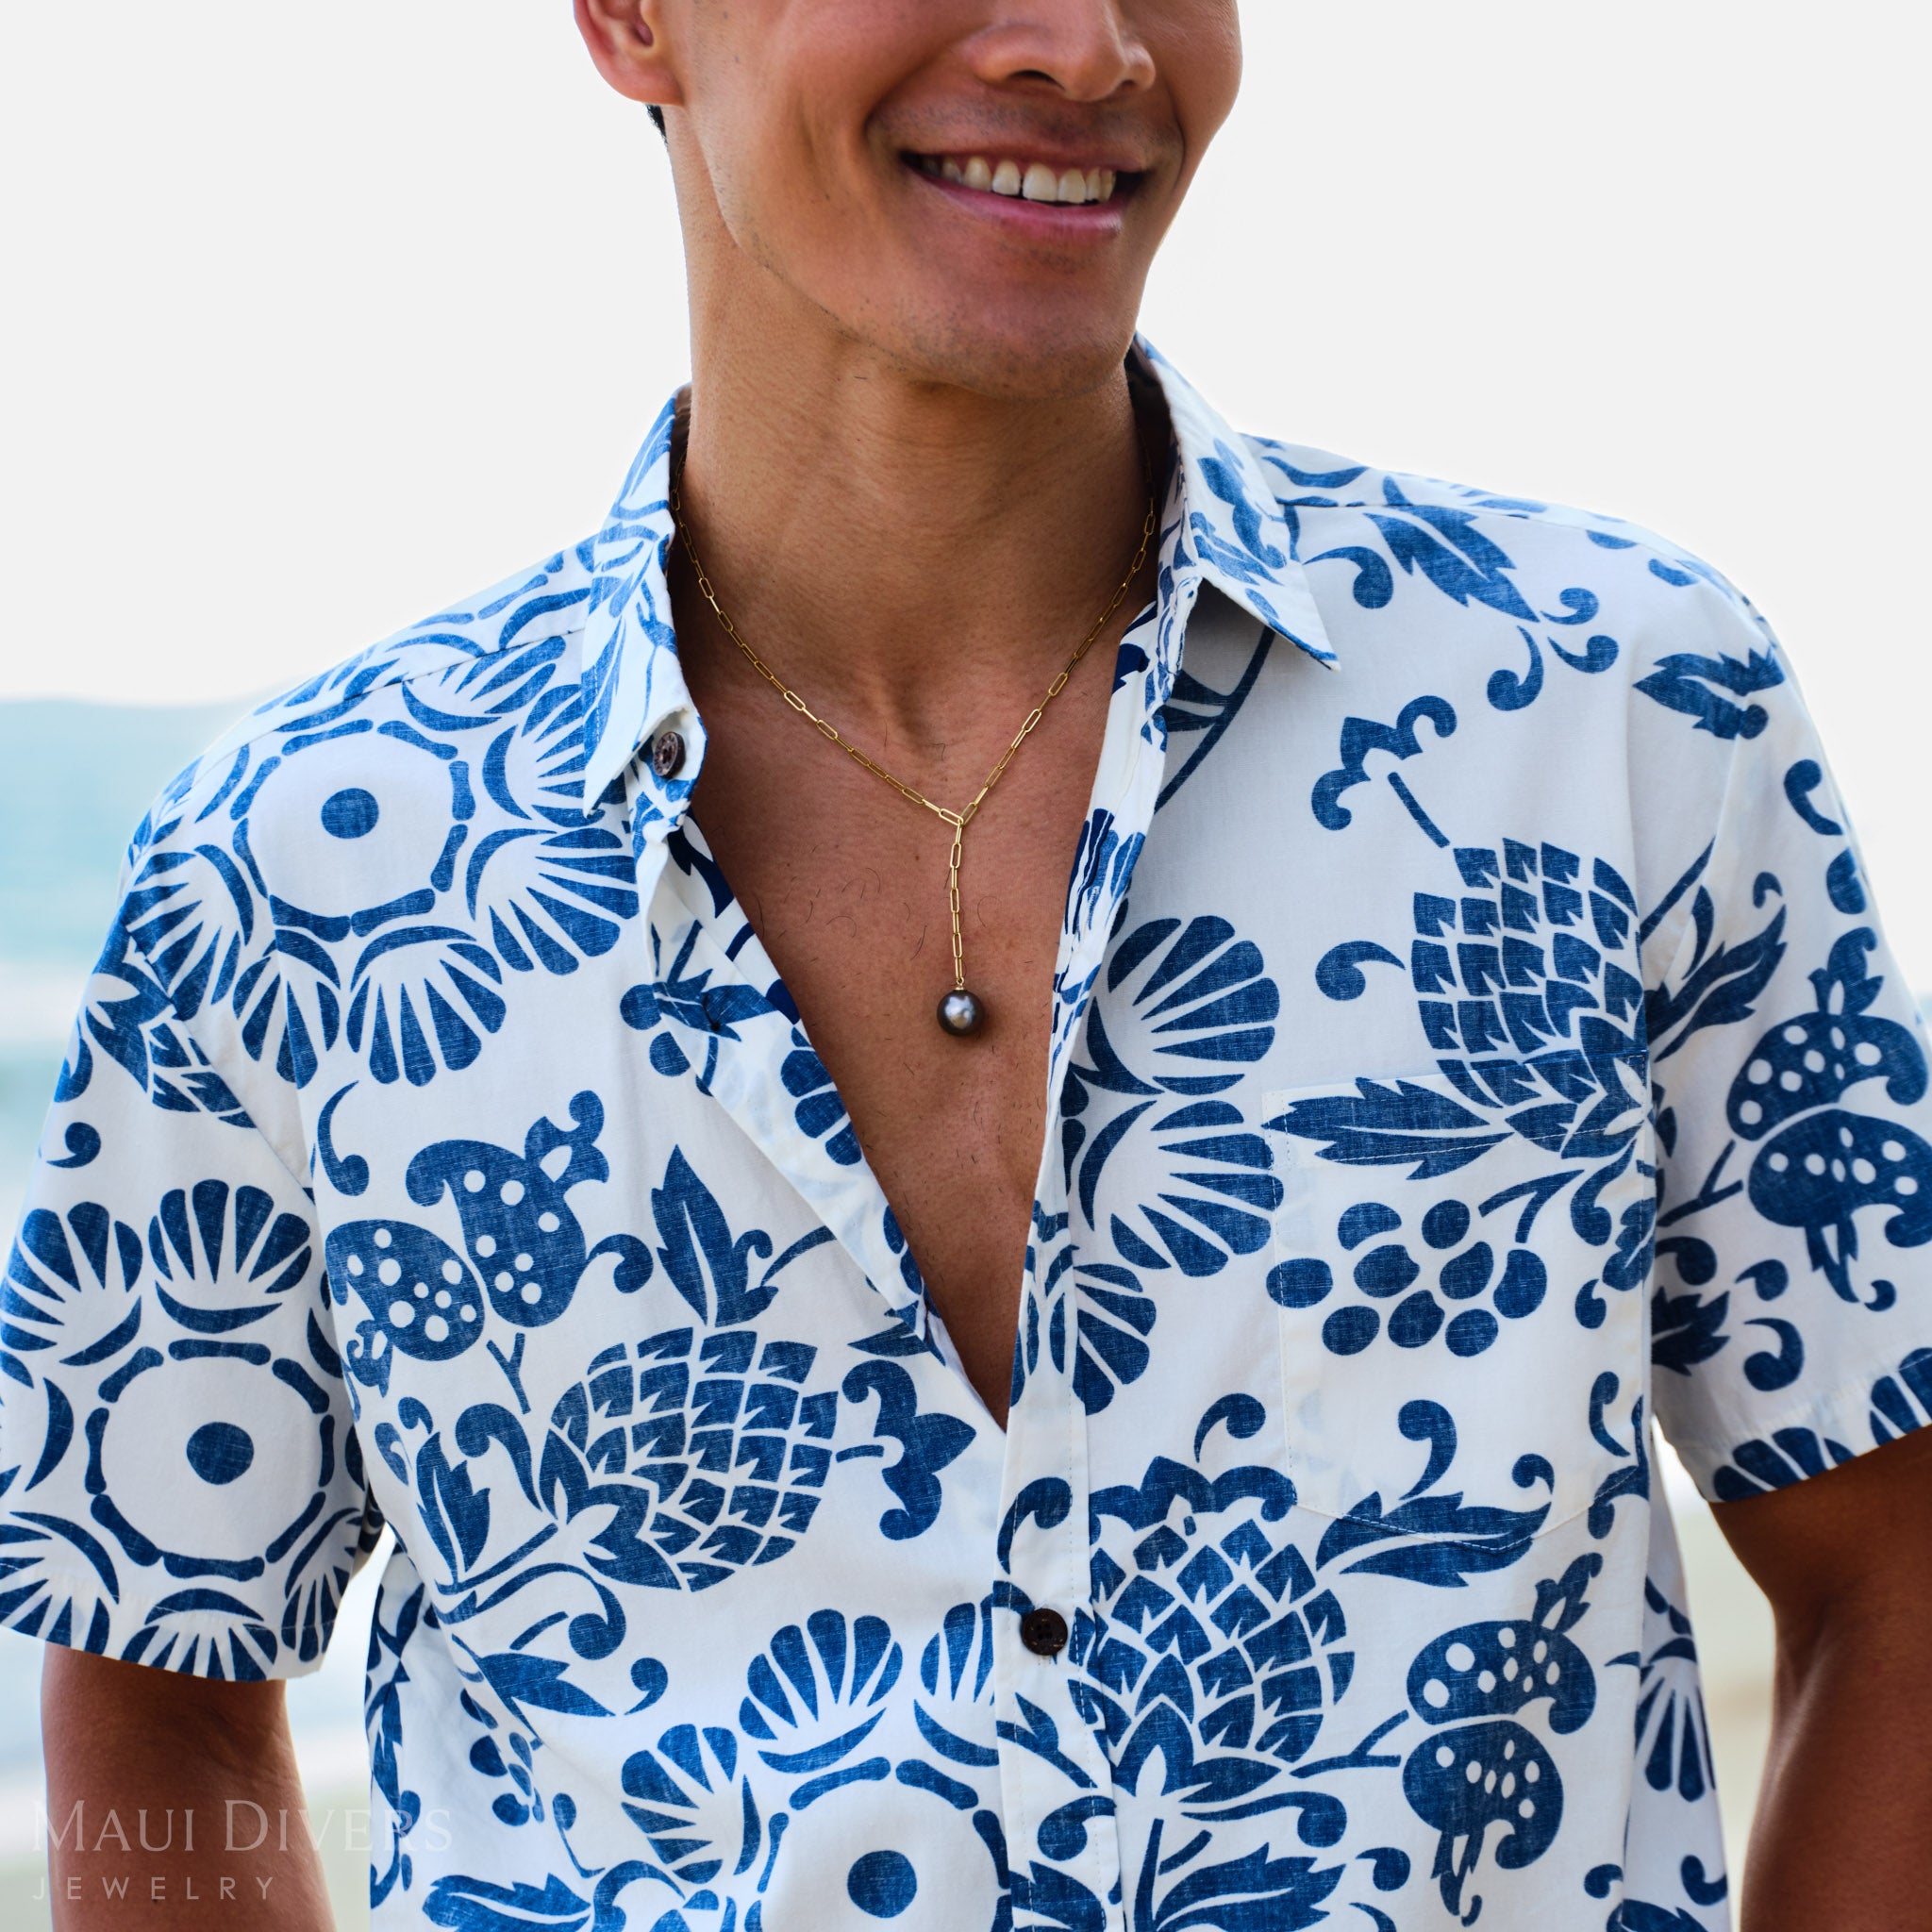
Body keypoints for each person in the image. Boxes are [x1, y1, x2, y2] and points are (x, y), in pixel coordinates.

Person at [9, 3, 1930, 1926]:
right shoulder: (297, 869)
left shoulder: (1612, 711)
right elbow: (156, 1670)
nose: (1088, 51)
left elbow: (1895, 1563)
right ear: (627, 19)